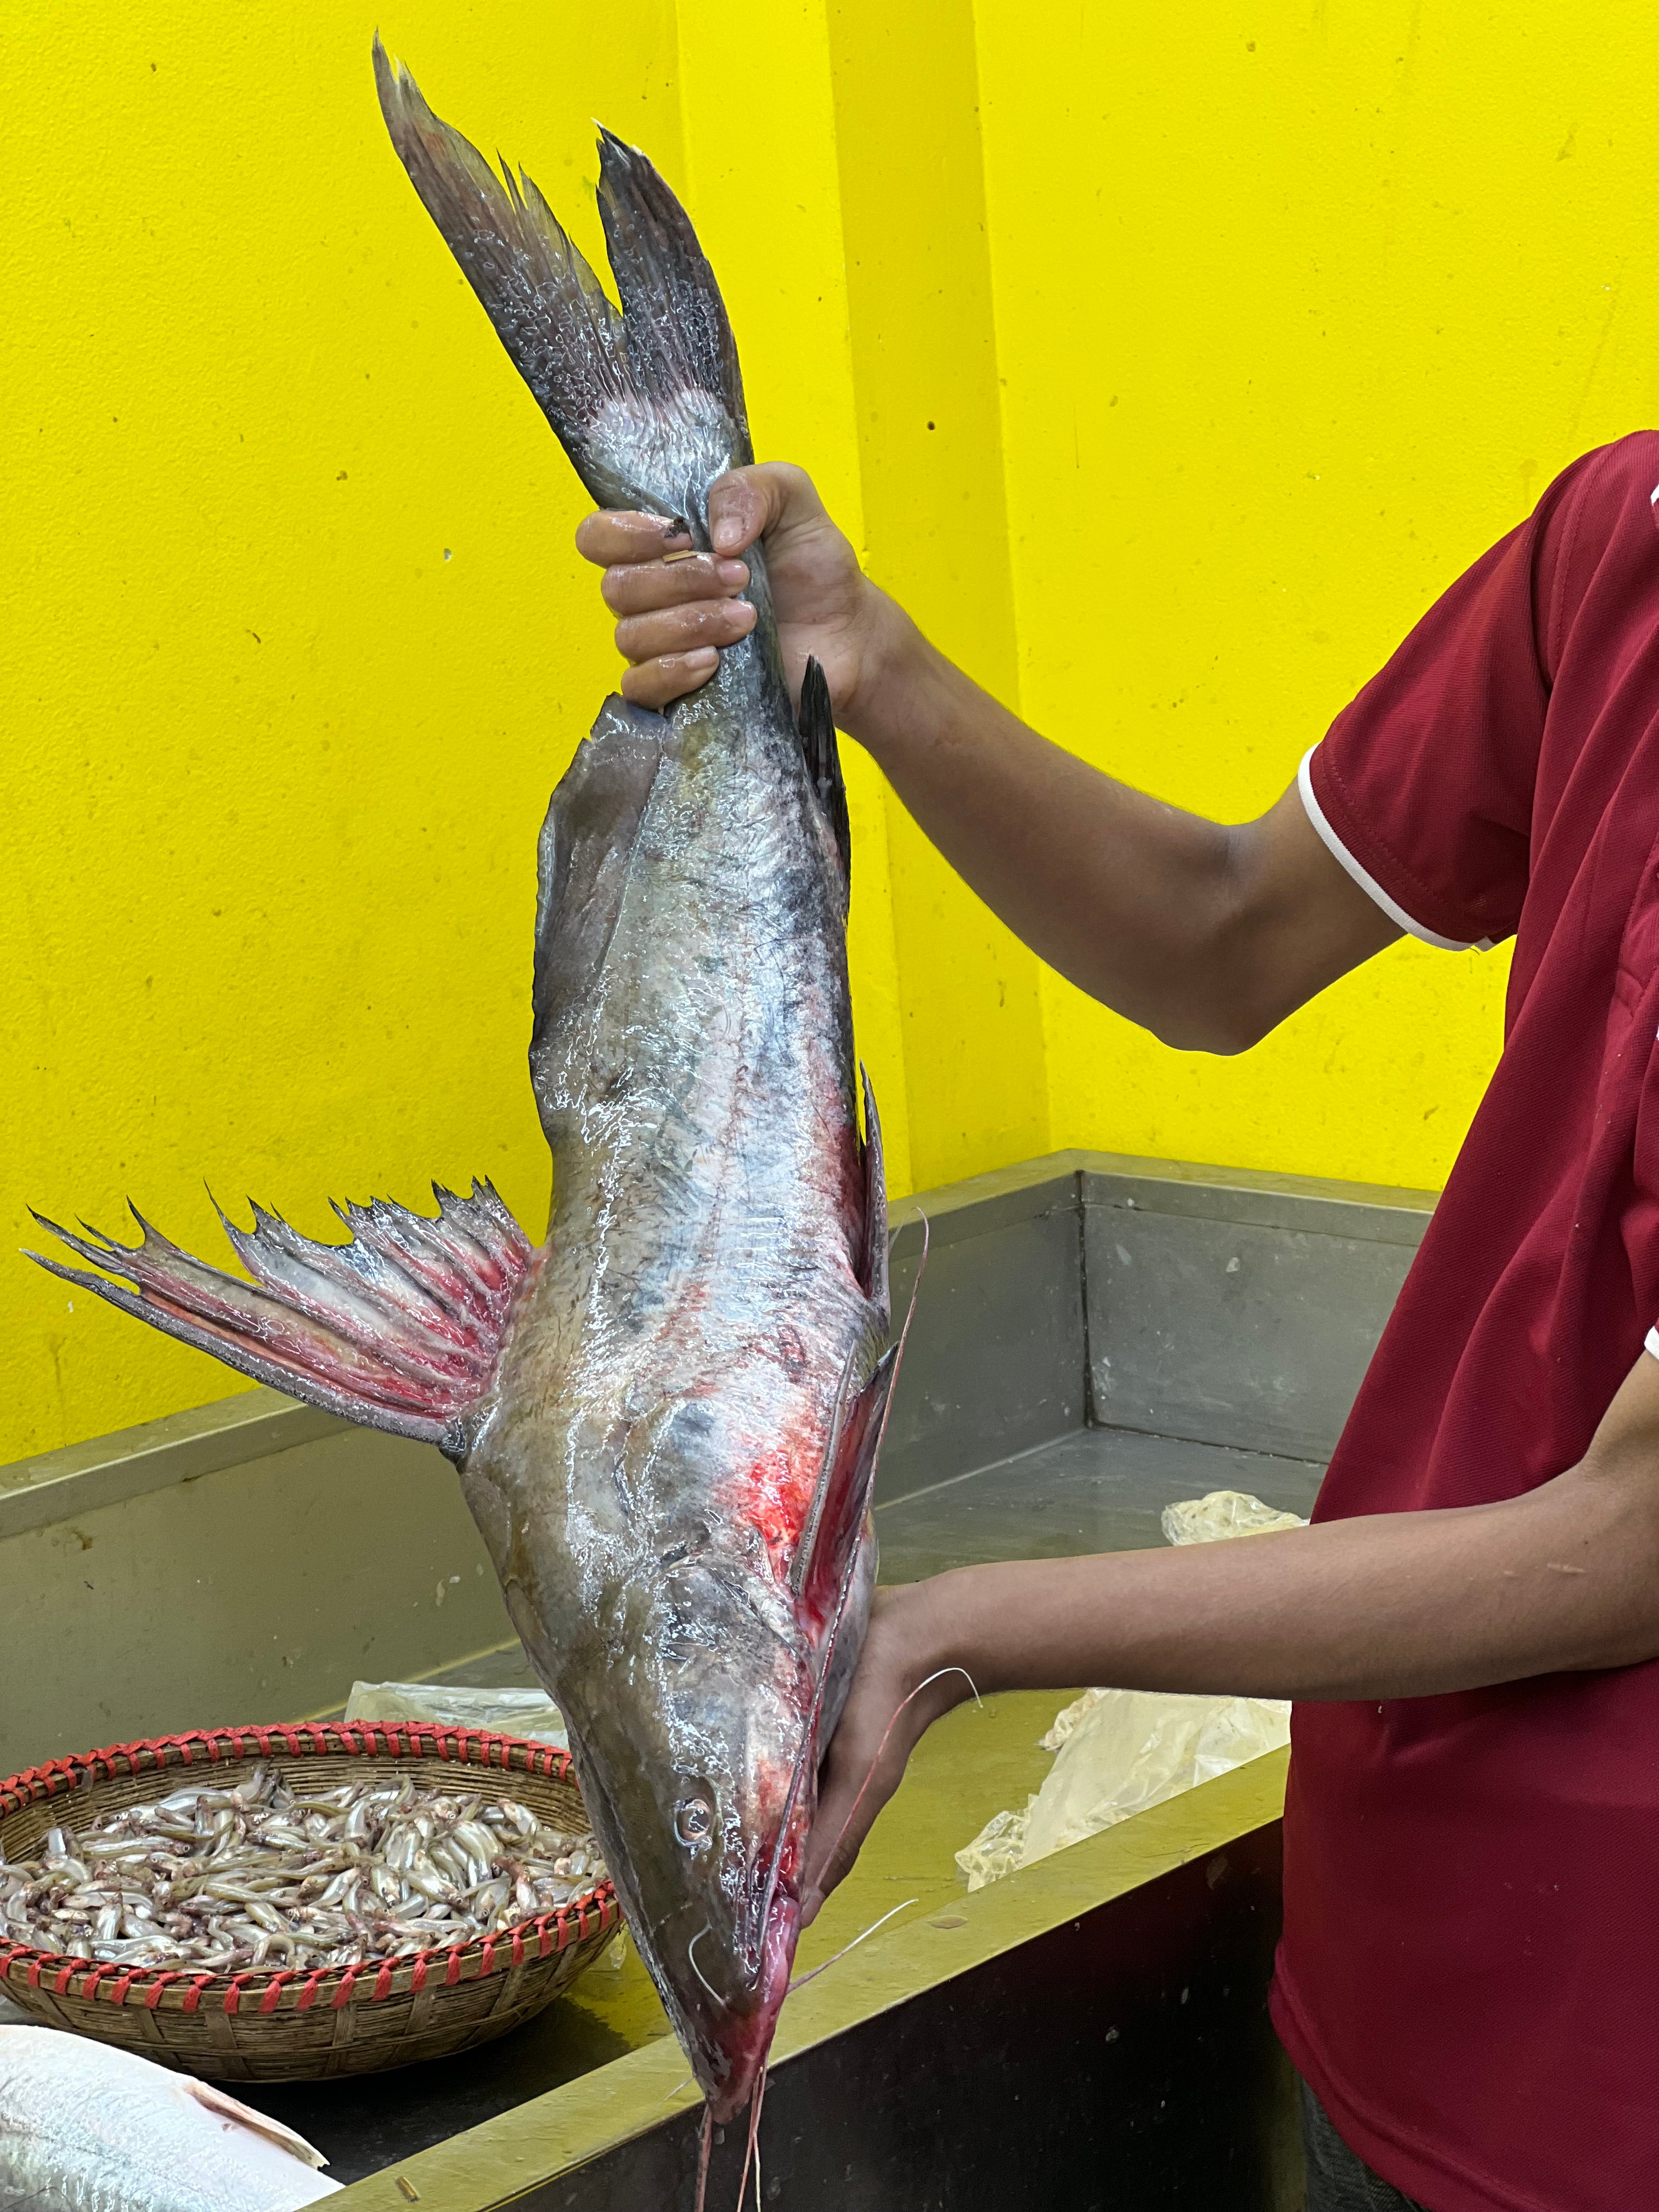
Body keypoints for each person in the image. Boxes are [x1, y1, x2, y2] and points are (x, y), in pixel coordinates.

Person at [575, 432, 1659, 2212]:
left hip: (1604, 2097)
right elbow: (1218, 936)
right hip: (1389, 1978)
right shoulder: (1616, 542)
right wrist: (870, 657)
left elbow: (1631, 1540)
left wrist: (954, 1630)